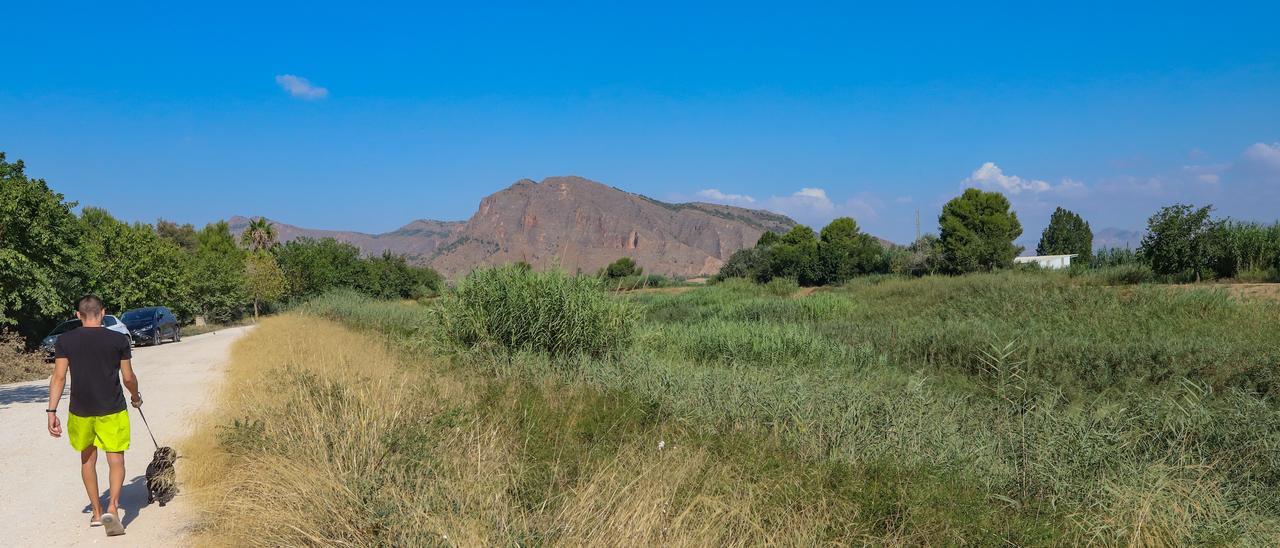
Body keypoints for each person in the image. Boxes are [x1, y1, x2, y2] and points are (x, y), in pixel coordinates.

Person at [46, 294, 142, 537]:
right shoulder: (118, 339)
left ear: (78, 316)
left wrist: (51, 410)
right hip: (113, 408)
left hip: (81, 410)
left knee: (87, 460)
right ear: (103, 313)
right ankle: (113, 508)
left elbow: (59, 377)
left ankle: (98, 514)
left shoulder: (65, 340)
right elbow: (128, 377)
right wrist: (136, 396)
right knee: (116, 459)